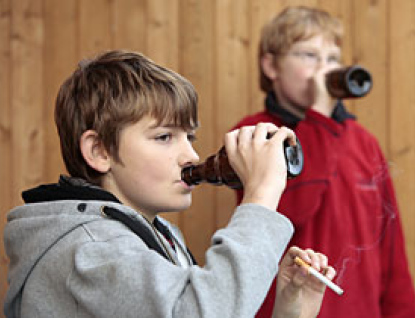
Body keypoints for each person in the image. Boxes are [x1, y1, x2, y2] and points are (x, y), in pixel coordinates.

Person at [3, 50, 337, 318]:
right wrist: (261, 195)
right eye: (164, 137)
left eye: (189, 136)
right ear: (99, 151)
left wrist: (290, 311)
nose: (191, 156)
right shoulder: (87, 251)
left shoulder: (159, 232)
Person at [231, 6, 415, 318]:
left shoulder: (363, 141)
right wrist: (319, 118)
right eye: (308, 56)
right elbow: (294, 209)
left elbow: (391, 249)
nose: (324, 70)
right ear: (271, 65)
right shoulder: (255, 136)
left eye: (331, 58)